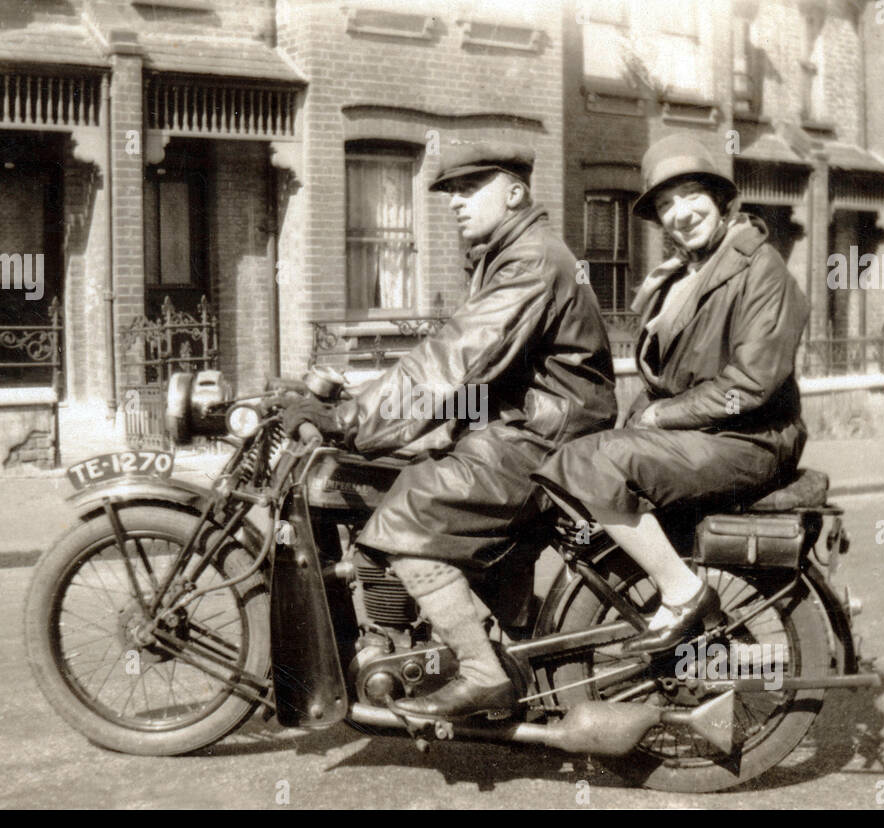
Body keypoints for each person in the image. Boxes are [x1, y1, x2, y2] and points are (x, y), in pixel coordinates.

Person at [283, 141, 618, 719]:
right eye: (450, 193)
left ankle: (483, 671)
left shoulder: (531, 259)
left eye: (470, 188)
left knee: (408, 511)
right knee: (403, 469)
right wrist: (380, 415)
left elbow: (456, 359)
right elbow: (480, 373)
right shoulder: (502, 254)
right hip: (524, 422)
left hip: (544, 437)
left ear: (515, 193)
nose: (456, 203)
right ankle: (496, 640)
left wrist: (351, 420)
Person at [532, 134, 810, 655]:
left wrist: (660, 419)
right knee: (568, 456)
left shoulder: (761, 269)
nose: (680, 213)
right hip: (707, 434)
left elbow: (750, 386)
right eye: (665, 204)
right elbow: (666, 378)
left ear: (720, 200)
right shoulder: (681, 277)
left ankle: (684, 593)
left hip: (750, 438)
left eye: (690, 196)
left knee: (599, 464)